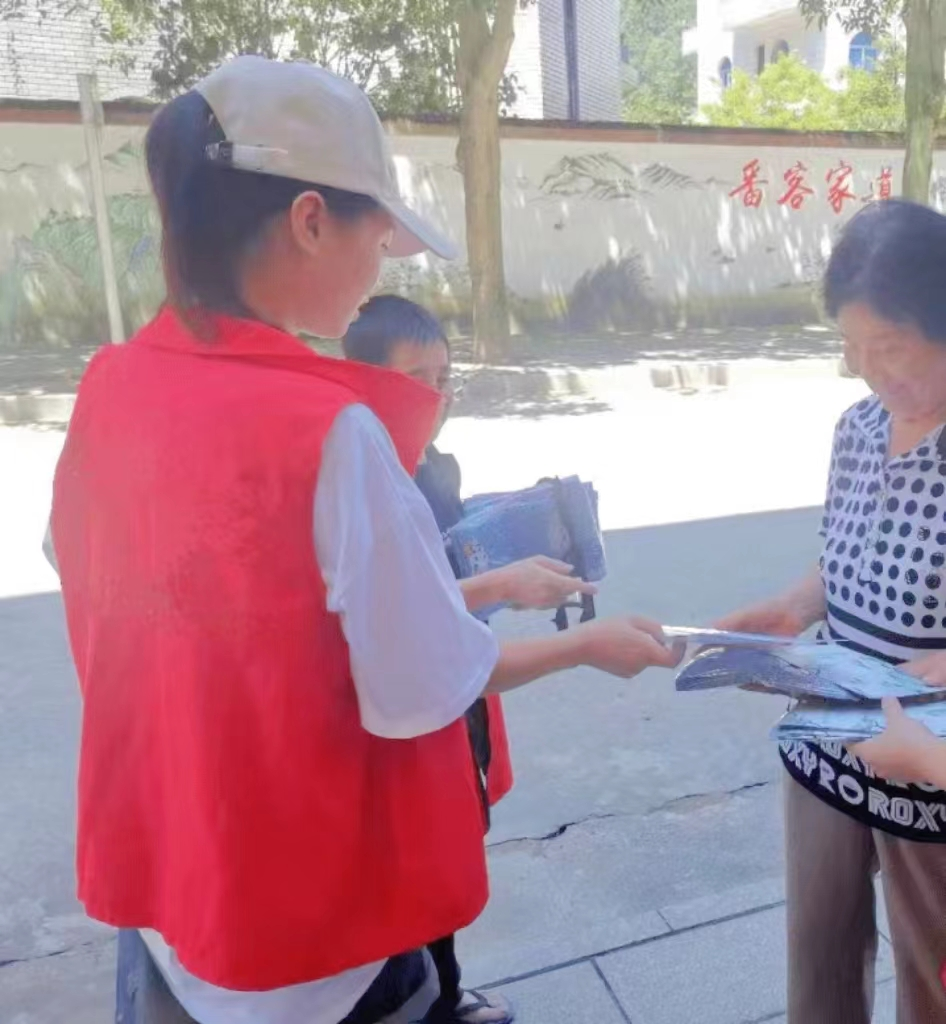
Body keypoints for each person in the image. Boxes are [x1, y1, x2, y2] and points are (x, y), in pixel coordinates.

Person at [47, 56, 677, 1024]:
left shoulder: (113, 386)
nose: (383, 260)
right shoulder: (329, 431)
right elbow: (420, 685)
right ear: (309, 220)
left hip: (178, 900)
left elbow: (114, 575)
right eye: (377, 232)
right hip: (311, 939)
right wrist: (586, 644)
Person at [718, 199, 946, 1024]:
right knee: (819, 947)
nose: (872, 372)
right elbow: (846, 548)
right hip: (826, 729)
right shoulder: (856, 428)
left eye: (890, 346)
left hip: (926, 754)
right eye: (853, 349)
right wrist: (795, 602)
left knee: (933, 964)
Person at [344, 295, 589, 1024]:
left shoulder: (431, 466)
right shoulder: (358, 480)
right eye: (417, 378)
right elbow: (392, 616)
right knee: (413, 866)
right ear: (364, 382)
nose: (438, 396)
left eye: (445, 377)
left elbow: (443, 569)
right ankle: (429, 1001)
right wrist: (503, 585)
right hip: (407, 713)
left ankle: (445, 992)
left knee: (450, 848)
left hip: (458, 698)